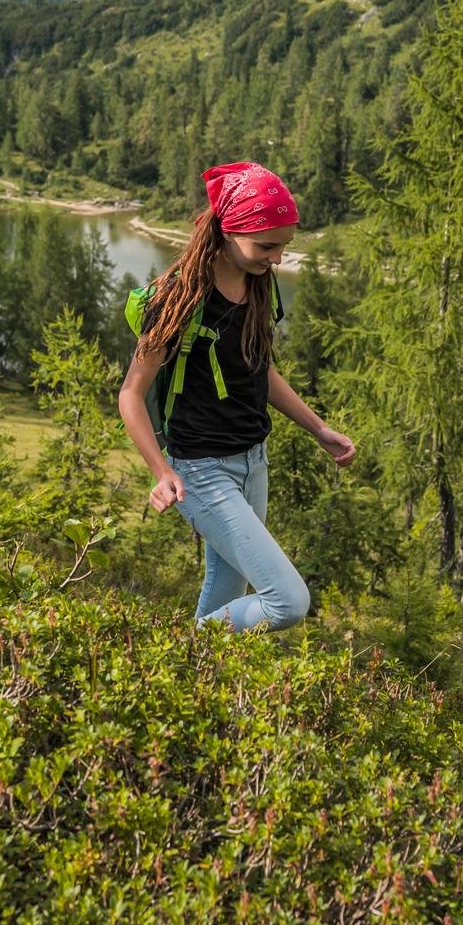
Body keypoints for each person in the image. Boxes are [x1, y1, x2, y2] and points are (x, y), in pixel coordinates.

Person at [118, 162, 354, 632]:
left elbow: (259, 369)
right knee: (287, 601)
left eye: (284, 246)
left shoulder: (256, 284)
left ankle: (191, 685)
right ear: (228, 231)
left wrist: (318, 428)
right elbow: (131, 394)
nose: (278, 259)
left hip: (253, 462)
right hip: (200, 471)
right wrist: (160, 471)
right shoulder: (176, 298)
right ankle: (181, 648)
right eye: (267, 246)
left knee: (229, 591)